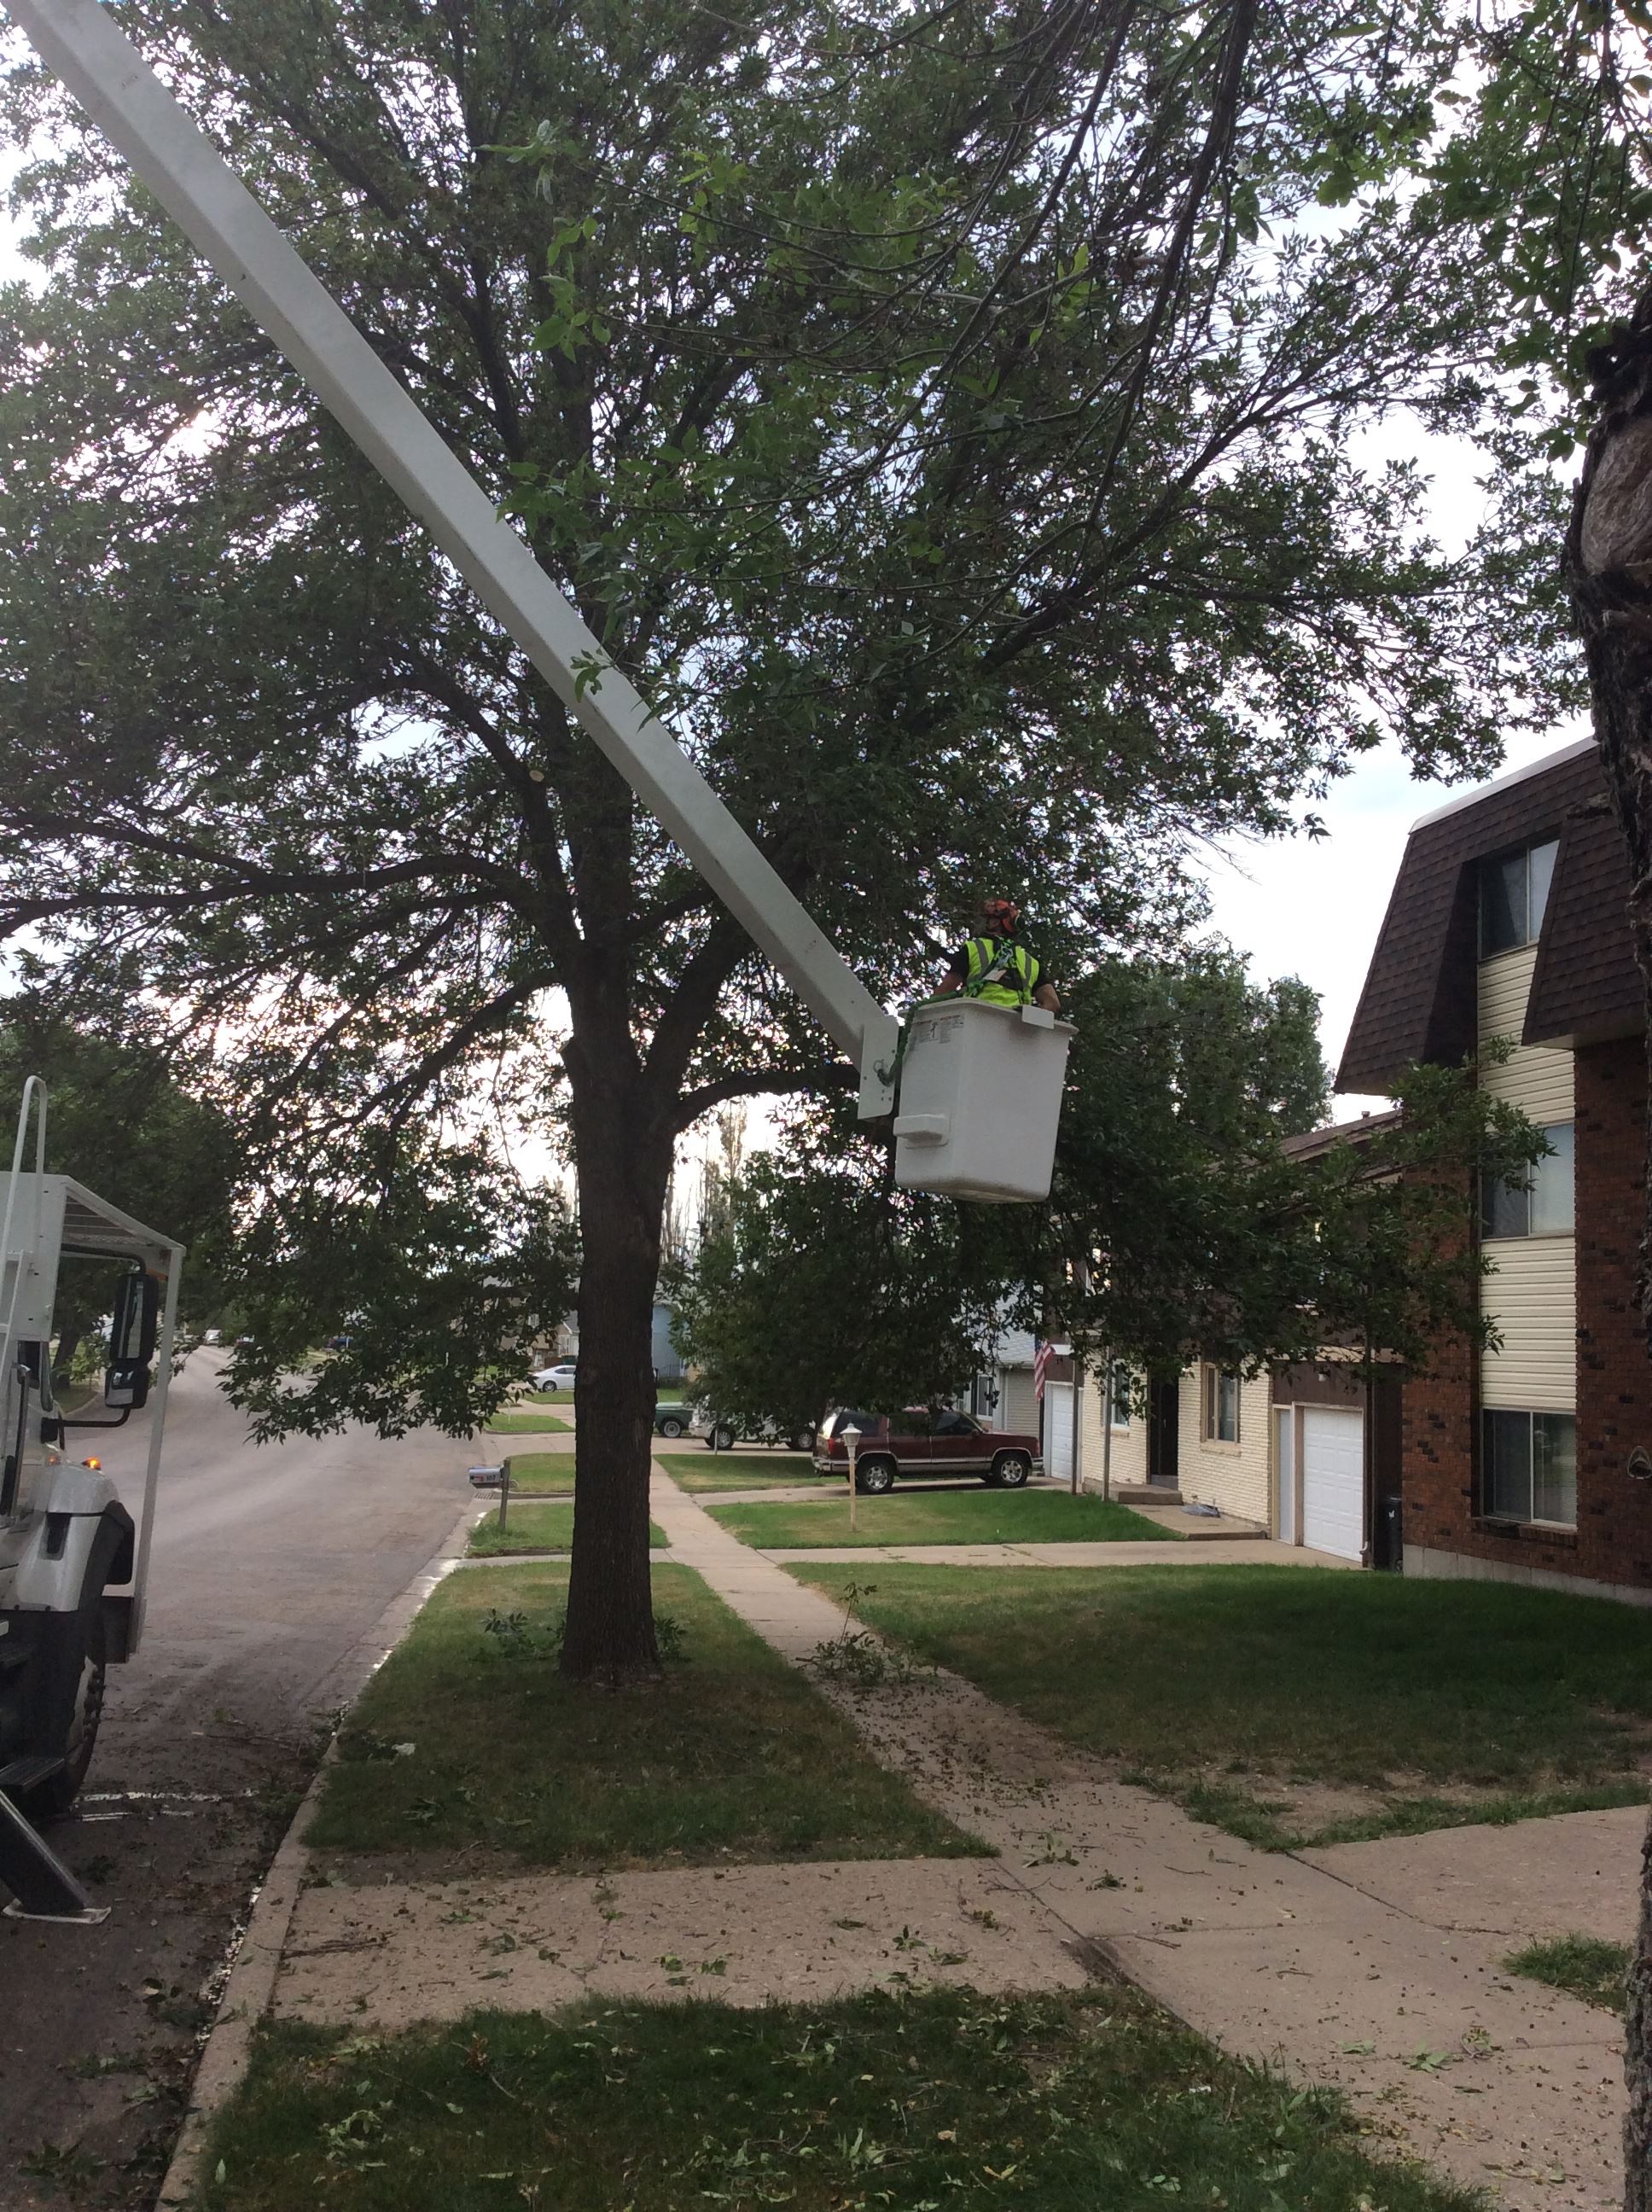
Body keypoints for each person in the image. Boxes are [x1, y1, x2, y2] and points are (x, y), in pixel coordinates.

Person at [939, 899, 1060, 1011]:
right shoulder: (1030, 962)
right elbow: (1053, 1003)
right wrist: (1029, 1016)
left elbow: (944, 991)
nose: (979, 924)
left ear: (994, 922)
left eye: (985, 919)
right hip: (1017, 1027)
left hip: (976, 1020)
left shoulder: (974, 948)